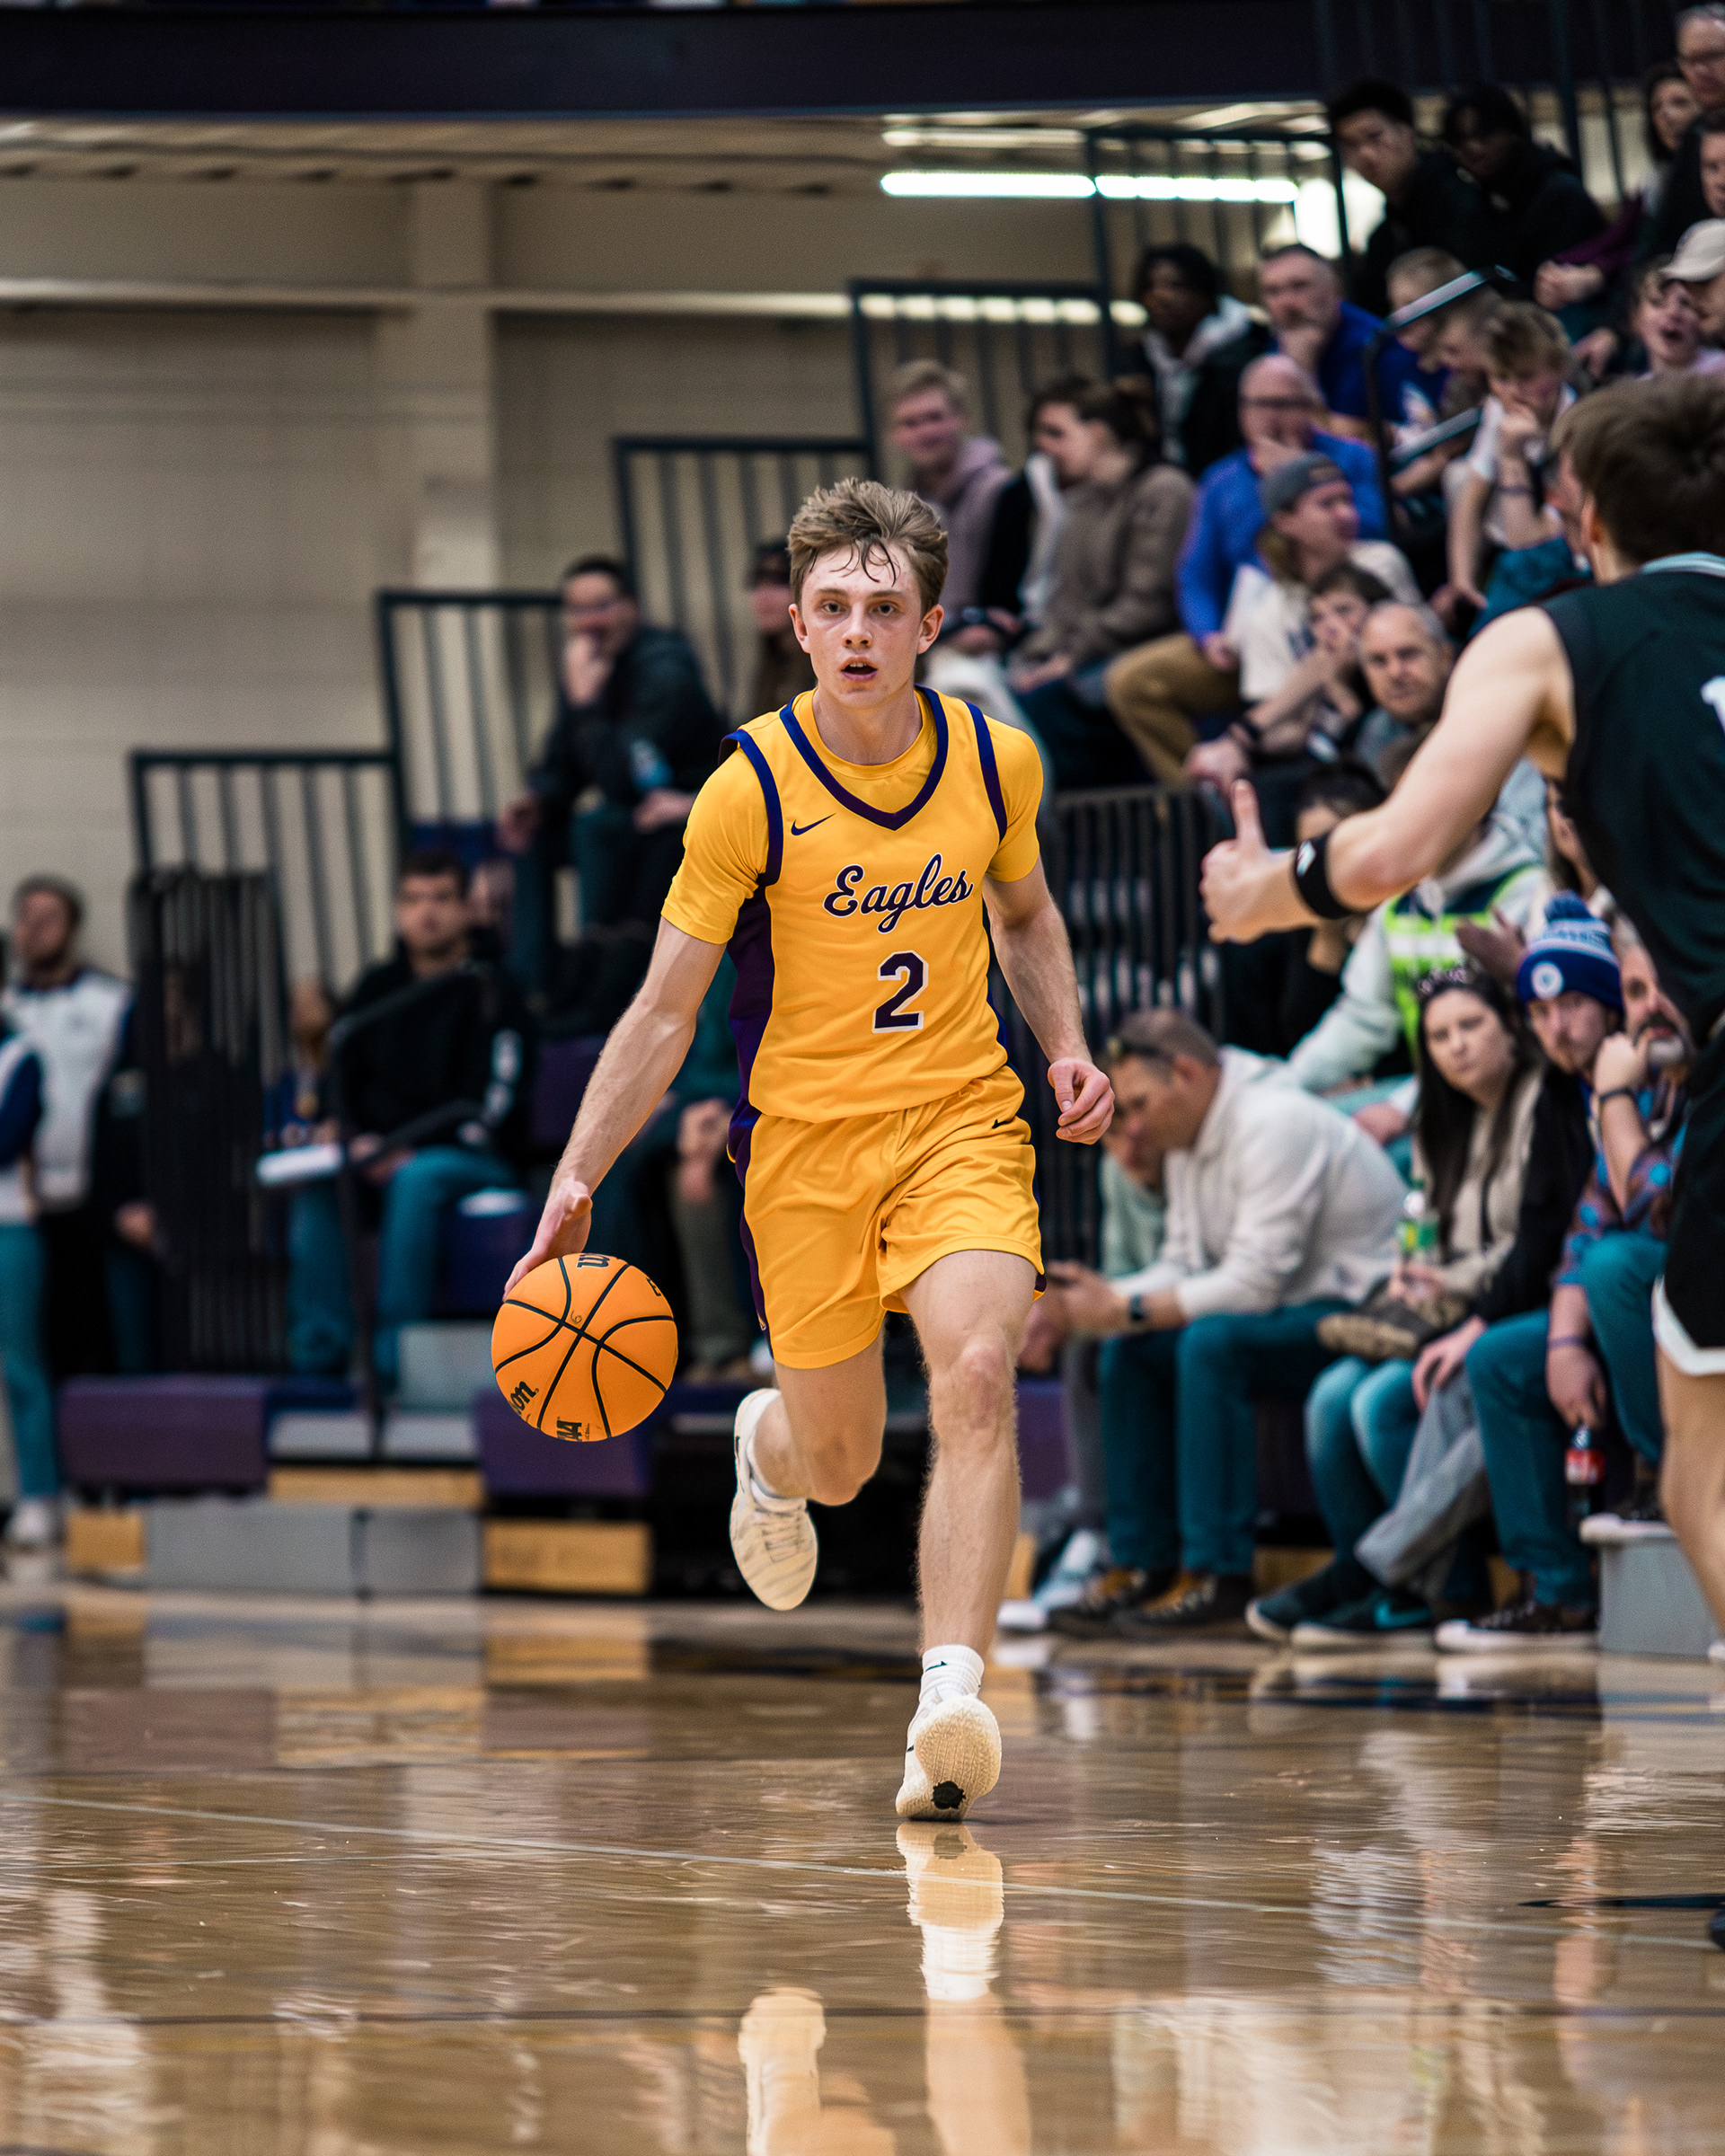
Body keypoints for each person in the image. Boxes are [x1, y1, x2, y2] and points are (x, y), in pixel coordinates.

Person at [509, 478, 1112, 1824]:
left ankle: (950, 1701)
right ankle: (768, 1450)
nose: (856, 634)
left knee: (977, 1374)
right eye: (832, 608)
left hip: (961, 1121)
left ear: (930, 626)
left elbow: (1025, 916)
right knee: (840, 1462)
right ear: (795, 624)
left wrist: (1065, 1041)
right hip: (806, 1151)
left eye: (883, 611)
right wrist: (579, 1170)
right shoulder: (749, 790)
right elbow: (664, 1010)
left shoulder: (996, 762)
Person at [1199, 372, 1725, 1762]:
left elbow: (1392, 850)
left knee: (1707, 1477)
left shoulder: (1550, 637)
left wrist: (1262, 889)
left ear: (1582, 515)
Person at [1248, 902, 1605, 1647]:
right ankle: (1421, 1588)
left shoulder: (1545, 1103)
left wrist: (1456, 1286)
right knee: (1335, 1398)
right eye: (1439, 1036)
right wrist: (1415, 1274)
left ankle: (1386, 1576)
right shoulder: (1441, 1122)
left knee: (1387, 1401)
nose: (1456, 1047)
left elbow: (1538, 1244)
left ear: (1509, 1028)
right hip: (1462, 1310)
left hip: (1520, 1303)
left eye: (1470, 1026)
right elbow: (1432, 1230)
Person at [1039, 1011, 1404, 1636]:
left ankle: (1218, 1575)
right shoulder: (1189, 1133)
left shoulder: (1273, 1120)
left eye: (1140, 1104)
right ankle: (1140, 1562)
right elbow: (1183, 1263)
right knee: (1128, 1351)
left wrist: (1125, 1308)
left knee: (1210, 1344)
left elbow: (1253, 1286)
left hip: (1359, 1314)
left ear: (1186, 1073)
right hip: (1283, 1311)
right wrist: (1089, 1304)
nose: (1132, 1127)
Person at [1437, 926, 1692, 1651]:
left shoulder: (1684, 1080)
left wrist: (1612, 1096)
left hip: (1695, 1306)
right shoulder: (1643, 1085)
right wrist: (1562, 1344)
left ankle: (1666, 1478)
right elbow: (1587, 1222)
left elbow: (1657, 1208)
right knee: (1499, 1359)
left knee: (1617, 1266)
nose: (1652, 1006)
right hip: (1642, 1312)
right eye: (1638, 991)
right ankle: (1556, 1593)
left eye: (1665, 987)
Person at [287, 848, 535, 1387]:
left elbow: (493, 1104)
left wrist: (402, 1148)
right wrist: (341, 1129)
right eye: (414, 900)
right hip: (380, 1150)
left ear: (466, 908)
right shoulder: (375, 988)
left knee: (416, 1179)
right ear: (398, 911)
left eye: (441, 898)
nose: (427, 912)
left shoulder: (494, 989)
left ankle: (393, 1357)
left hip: (470, 1156)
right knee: (322, 1186)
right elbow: (340, 1076)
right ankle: (319, 1355)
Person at [1105, 357, 1387, 780]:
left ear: (1310, 406)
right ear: (1241, 411)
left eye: (1285, 404)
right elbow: (1195, 574)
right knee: (1131, 682)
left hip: (1330, 617)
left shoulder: (1353, 458)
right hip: (1247, 630)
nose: (1271, 417)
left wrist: (1294, 479)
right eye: (1259, 405)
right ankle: (1209, 798)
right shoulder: (1221, 480)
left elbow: (1375, 527)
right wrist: (1208, 635)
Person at [496, 556, 726, 989]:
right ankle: (531, 987)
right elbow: (563, 758)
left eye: (600, 606)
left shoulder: (665, 670)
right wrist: (538, 799)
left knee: (595, 828)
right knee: (532, 834)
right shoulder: (593, 665)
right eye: (577, 610)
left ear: (630, 607)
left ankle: (599, 979)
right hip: (635, 809)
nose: (588, 623)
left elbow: (629, 777)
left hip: (686, 805)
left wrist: (586, 705)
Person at [1006, 378, 1193, 791]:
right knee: (1004, 695)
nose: (1044, 448)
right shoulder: (1082, 502)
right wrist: (1031, 658)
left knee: (1045, 705)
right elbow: (1065, 604)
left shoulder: (1163, 489)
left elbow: (1148, 603)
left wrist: (1068, 658)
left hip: (1144, 644)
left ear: (1099, 433)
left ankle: (1102, 827)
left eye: (1057, 433)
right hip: (1093, 649)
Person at [0, 875, 131, 1382]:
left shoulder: (110, 1003)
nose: (35, 929)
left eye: (49, 918)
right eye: (26, 917)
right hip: (26, 1203)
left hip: (93, 1194)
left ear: (73, 929)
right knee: (37, 1346)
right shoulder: (8, 1010)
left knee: (103, 1336)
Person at [1535, 61, 1697, 326]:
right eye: (1656, 108)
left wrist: (1595, 275)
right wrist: (1559, 266)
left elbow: (1654, 250)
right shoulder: (1657, 177)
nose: (1666, 115)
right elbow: (1617, 236)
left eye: (1680, 103)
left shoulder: (1700, 179)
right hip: (1634, 286)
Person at [1445, 304, 1578, 619]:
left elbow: (1528, 549)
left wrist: (1511, 455)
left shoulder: (1578, 427)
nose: (1513, 393)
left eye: (1526, 377)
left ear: (1558, 367)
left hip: (1559, 570)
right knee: (1458, 476)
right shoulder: (1498, 408)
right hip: (1506, 556)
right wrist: (1461, 581)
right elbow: (1470, 498)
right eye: (1501, 378)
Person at [1328, 78, 1484, 320]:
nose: (1364, 154)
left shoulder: (1462, 203)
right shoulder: (1384, 236)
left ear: (1406, 133)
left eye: (1374, 137)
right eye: (1350, 145)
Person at [1440, 85, 1606, 296]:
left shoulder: (1559, 193)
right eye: (1460, 140)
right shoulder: (1478, 199)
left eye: (1484, 134)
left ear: (1512, 133)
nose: (1473, 148)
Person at [1258, 243, 1432, 439]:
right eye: (1273, 291)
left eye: (1299, 286)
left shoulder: (1373, 345)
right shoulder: (1276, 348)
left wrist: (1303, 372)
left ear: (1334, 289)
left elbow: (1345, 445)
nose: (1286, 303)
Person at [888, 359, 1013, 620]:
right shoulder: (898, 508)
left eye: (934, 417)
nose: (924, 432)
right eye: (910, 423)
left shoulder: (1004, 489)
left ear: (961, 418)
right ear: (894, 435)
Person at [1134, 242, 1271, 476]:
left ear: (1206, 293)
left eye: (1176, 285)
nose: (1161, 296)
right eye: (1150, 287)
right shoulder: (1140, 360)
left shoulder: (1247, 355)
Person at [0, 1012, 54, 1550]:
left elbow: (8, 1138)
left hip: (9, 1224)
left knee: (20, 1365)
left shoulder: (21, 1057)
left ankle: (38, 1492)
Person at [1641, 4, 1725, 261]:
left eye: (1713, 56)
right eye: (1690, 61)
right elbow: (1661, 241)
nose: (1701, 70)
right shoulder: (1694, 136)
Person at [747, 539, 817, 716]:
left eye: (779, 582)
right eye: (758, 583)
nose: (764, 596)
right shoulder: (773, 659)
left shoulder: (821, 661)